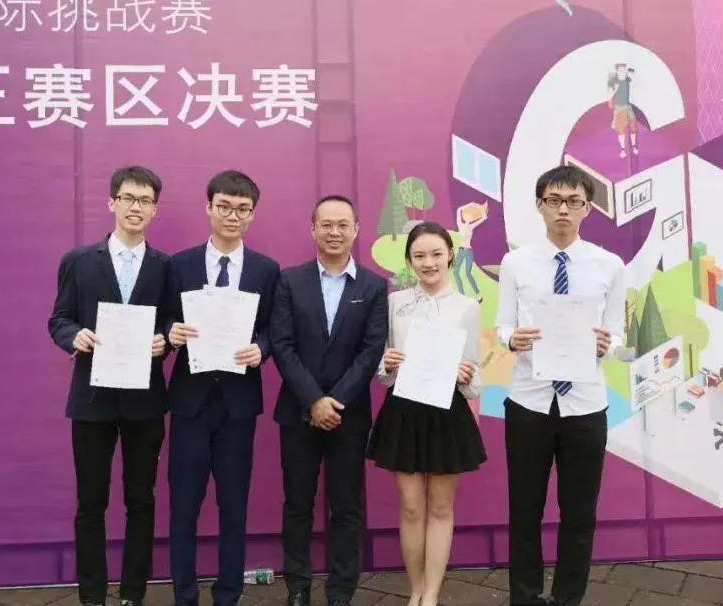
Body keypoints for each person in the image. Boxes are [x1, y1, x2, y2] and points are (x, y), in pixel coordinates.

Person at [495, 165, 625, 606]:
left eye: (573, 202)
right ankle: (525, 597)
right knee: (524, 512)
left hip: (585, 405)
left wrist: (610, 343)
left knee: (580, 515)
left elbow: (618, 333)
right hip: (528, 402)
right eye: (554, 200)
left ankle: (569, 598)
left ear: (587, 208)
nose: (563, 210)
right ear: (539, 206)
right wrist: (511, 339)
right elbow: (503, 324)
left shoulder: (609, 265)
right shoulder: (516, 263)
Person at [47, 166, 171, 606]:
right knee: (91, 503)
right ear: (112, 202)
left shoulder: (166, 267)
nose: (136, 207)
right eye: (128, 198)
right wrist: (73, 337)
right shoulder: (78, 261)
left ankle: (133, 594)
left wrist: (166, 340)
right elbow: (59, 319)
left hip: (145, 401)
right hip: (92, 399)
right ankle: (92, 596)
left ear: (155, 210)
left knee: (141, 500)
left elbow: (173, 322)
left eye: (145, 201)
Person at [165, 170, 280, 606]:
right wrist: (171, 332)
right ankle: (184, 595)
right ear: (209, 208)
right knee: (184, 506)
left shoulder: (266, 270)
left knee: (234, 506)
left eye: (242, 209)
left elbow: (274, 329)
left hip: (238, 405)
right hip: (190, 402)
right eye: (225, 207)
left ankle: (228, 594)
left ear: (253, 214)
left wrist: (261, 349)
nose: (233, 216)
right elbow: (162, 318)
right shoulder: (179, 265)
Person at [270, 195, 389, 606]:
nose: (334, 232)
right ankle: (298, 588)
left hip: (348, 416)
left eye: (343, 225)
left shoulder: (374, 286)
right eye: (326, 224)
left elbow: (371, 351)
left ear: (356, 230)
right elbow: (282, 345)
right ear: (313, 229)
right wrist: (313, 400)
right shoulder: (289, 281)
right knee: (297, 505)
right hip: (297, 412)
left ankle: (340, 591)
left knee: (347, 507)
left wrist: (334, 401)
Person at [366, 221, 487, 606]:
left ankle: (431, 595)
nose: (428, 262)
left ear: (451, 255)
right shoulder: (394, 303)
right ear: (409, 261)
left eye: (436, 254)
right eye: (419, 256)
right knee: (411, 507)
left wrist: (467, 375)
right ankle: (415, 589)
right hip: (404, 412)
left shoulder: (468, 307)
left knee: (440, 506)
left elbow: (475, 377)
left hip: (447, 413)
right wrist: (387, 364)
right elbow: (383, 372)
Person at [453, 201, 488, 302]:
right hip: (461, 251)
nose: (468, 217)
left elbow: (484, 217)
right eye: (467, 215)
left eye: (470, 216)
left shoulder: (471, 226)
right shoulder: (460, 224)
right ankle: (462, 295)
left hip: (468, 252)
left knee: (468, 273)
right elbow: (459, 209)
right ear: (464, 216)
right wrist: (471, 204)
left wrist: (480, 208)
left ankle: (478, 294)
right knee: (456, 272)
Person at [607, 63, 639, 159]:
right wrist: (615, 89)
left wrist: (628, 69)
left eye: (624, 70)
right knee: (621, 131)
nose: (623, 72)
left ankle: (634, 146)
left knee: (633, 128)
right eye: (621, 70)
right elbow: (609, 97)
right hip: (619, 108)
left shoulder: (627, 79)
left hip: (628, 107)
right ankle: (622, 150)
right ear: (617, 71)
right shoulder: (613, 81)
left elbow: (634, 72)